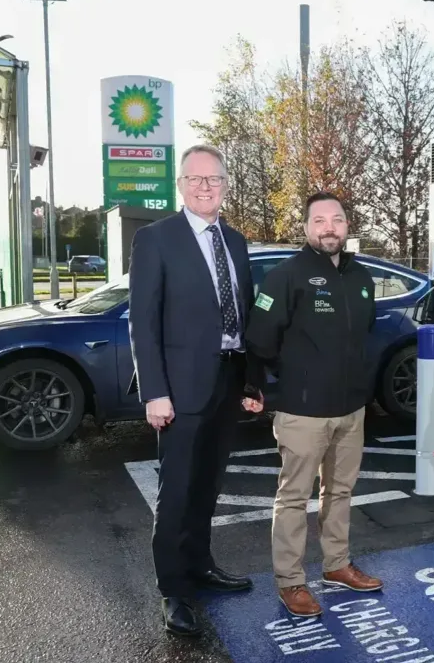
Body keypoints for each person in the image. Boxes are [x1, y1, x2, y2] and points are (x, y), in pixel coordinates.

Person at [127, 144, 260, 637]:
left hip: (226, 382)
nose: (206, 187)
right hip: (179, 390)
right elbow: (142, 323)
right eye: (196, 179)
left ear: (226, 185)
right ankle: (174, 590)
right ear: (180, 185)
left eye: (215, 179)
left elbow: (244, 319)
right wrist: (154, 392)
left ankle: (202, 567)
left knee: (208, 485)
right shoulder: (156, 239)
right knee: (177, 490)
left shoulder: (237, 241)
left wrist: (251, 381)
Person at [244, 191, 383, 618]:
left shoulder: (361, 278)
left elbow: (363, 335)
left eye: (337, 219)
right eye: (319, 220)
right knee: (293, 499)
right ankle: (290, 582)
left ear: (346, 226)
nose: (329, 228)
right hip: (303, 411)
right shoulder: (287, 276)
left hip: (351, 410)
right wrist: (256, 386)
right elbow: (258, 340)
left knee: (340, 491)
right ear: (305, 228)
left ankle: (337, 565)